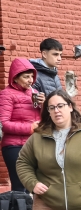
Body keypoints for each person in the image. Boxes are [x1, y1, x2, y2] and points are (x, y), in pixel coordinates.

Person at [0, 58, 43, 192]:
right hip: (14, 146)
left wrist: (44, 105)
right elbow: (4, 124)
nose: (30, 80)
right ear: (16, 77)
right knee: (20, 185)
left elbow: (42, 119)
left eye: (32, 76)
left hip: (34, 144)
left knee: (36, 184)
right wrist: (30, 128)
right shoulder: (6, 94)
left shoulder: (35, 93)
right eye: (26, 77)